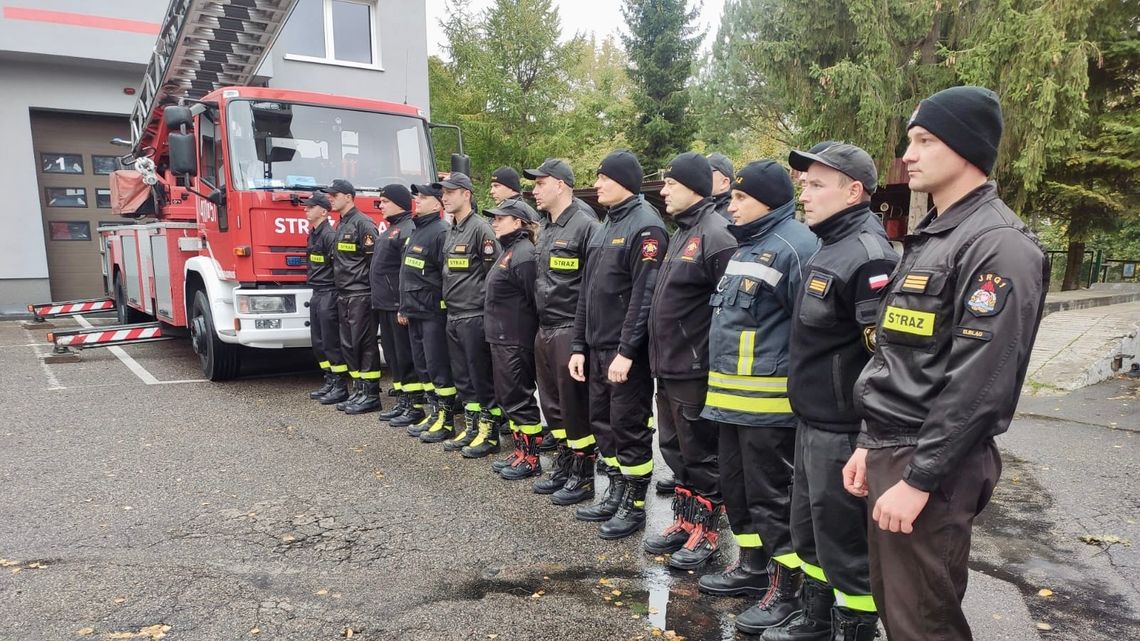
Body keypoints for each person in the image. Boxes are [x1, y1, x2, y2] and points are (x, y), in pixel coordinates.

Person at [843, 86, 1048, 641]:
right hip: (896, 448)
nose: (908, 155)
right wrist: (869, 439)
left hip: (931, 462)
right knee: (900, 610)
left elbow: (983, 382)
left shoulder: (998, 244)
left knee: (924, 623)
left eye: (925, 140)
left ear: (967, 148)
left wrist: (920, 478)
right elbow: (900, 357)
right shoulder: (934, 237)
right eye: (911, 140)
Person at [762, 143, 899, 641]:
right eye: (805, 182)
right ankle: (818, 618)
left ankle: (856, 628)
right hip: (812, 421)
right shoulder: (829, 244)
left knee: (845, 544)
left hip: (843, 430)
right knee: (810, 533)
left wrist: (868, 437)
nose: (805, 191)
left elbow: (882, 358)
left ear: (854, 191)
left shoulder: (868, 256)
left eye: (818, 184)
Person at [694, 161, 818, 637]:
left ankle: (787, 591)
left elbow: (808, 334)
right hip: (730, 402)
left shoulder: (795, 246)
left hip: (770, 410)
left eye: (741, 198)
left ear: (768, 199)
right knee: (738, 492)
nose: (732, 205)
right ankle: (751, 567)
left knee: (772, 500)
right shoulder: (749, 246)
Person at [568, 150, 668, 540]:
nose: (596, 185)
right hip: (596, 347)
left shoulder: (647, 227)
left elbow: (644, 297)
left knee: (629, 427)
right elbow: (586, 293)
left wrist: (627, 351)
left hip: (625, 353)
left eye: (603, 178)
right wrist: (579, 344)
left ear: (624, 181)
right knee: (603, 424)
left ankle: (635, 504)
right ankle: (615, 492)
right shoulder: (603, 226)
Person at [644, 152, 737, 570]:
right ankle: (684, 521)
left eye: (670, 184)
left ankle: (707, 531)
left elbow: (730, 309)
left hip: (696, 368)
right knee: (674, 448)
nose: (663, 191)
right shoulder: (682, 231)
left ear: (694, 187)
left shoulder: (717, 234)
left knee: (701, 453)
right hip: (668, 365)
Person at [523, 158, 601, 504]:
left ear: (561, 185)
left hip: (570, 327)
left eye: (541, 183)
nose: (534, 190)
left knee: (573, 407)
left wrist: (583, 341)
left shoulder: (586, 226)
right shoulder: (546, 227)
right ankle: (566, 462)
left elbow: (594, 288)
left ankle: (583, 474)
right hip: (545, 327)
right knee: (552, 404)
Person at [435, 172, 504, 448]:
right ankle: (473, 427)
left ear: (466, 194)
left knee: (480, 377)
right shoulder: (451, 228)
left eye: (450, 192)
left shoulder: (480, 229)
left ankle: (490, 433)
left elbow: (494, 274)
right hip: (454, 314)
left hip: (474, 316)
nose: (444, 197)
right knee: (463, 378)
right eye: (443, 193)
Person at [481, 199, 543, 467]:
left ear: (517, 223)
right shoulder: (508, 251)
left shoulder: (524, 255)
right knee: (508, 398)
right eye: (493, 218)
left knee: (519, 398)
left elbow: (534, 300)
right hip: (501, 339)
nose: (494, 222)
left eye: (500, 218)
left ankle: (531, 457)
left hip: (516, 341)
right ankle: (520, 451)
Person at [393, 182, 453, 432]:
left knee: (438, 367)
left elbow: (445, 275)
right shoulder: (417, 230)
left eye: (424, 197)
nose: (418, 199)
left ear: (438, 203)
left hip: (432, 312)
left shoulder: (441, 232)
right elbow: (408, 273)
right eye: (418, 196)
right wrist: (404, 306)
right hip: (414, 311)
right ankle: (434, 412)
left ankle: (446, 420)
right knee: (423, 367)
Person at [323, 179, 383, 414]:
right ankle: (359, 389)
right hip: (344, 293)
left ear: (348, 197)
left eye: (334, 195)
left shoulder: (363, 224)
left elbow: (373, 263)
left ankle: (370, 393)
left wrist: (369, 292)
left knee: (364, 343)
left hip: (360, 293)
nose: (331, 198)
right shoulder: (341, 225)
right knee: (349, 344)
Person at [372, 184, 421, 425]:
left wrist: (404, 304)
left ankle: (414, 405)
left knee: (405, 357)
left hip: (397, 305)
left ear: (399, 202)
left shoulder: (407, 229)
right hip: (384, 304)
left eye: (384, 201)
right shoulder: (392, 228)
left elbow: (407, 272)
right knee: (393, 357)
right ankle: (403, 399)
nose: (380, 205)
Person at [304, 192, 349, 402]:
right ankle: (329, 380)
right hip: (316, 292)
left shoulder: (329, 235)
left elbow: (337, 266)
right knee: (319, 342)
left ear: (323, 211)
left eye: (310, 207)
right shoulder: (312, 233)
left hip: (329, 292)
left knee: (331, 342)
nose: (306, 210)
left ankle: (340, 385)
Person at [707, 152, 735, 221]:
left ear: (724, 182)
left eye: (707, 172)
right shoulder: (700, 209)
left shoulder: (734, 214)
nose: (702, 176)